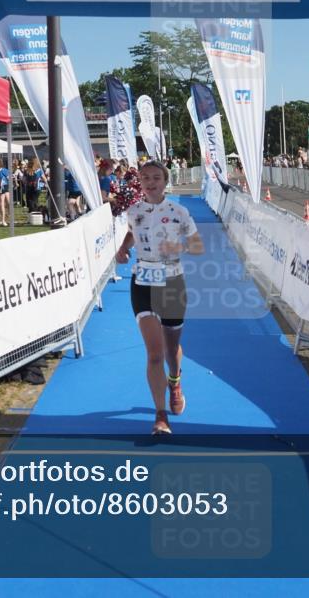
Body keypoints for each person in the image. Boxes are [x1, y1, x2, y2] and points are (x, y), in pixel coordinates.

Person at [115, 160, 204, 435]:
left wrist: (175, 246)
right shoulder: (134, 211)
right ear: (139, 182)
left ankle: (175, 381)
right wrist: (122, 249)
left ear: (165, 182)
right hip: (142, 280)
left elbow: (197, 246)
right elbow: (132, 232)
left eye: (156, 178)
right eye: (145, 178)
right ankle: (160, 414)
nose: (150, 182)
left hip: (172, 281)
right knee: (154, 354)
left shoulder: (179, 211)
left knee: (170, 351)